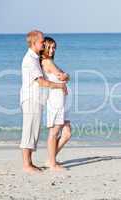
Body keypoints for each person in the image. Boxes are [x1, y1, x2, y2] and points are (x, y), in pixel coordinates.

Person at [19, 30, 67, 173]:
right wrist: (60, 85)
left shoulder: (34, 58)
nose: (43, 43)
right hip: (31, 99)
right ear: (34, 43)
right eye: (41, 41)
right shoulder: (29, 60)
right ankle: (26, 165)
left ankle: (29, 163)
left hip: (37, 99)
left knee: (33, 131)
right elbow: (41, 82)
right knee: (29, 131)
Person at [40, 37, 72, 171]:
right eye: (50, 47)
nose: (52, 50)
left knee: (67, 132)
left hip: (60, 100)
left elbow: (65, 77)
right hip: (55, 100)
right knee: (54, 132)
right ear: (44, 48)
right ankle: (52, 163)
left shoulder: (50, 61)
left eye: (54, 48)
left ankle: (50, 159)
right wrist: (65, 76)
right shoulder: (47, 61)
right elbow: (62, 76)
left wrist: (66, 76)